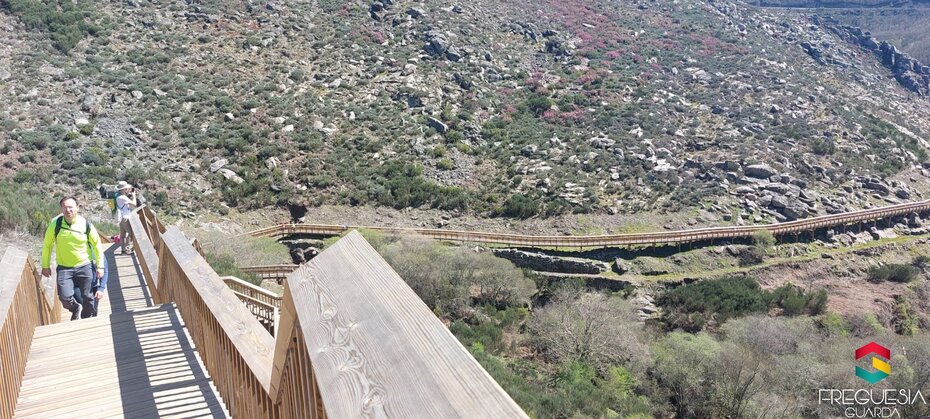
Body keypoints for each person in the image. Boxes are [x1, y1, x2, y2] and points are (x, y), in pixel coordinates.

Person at [41, 197, 105, 321]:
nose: (68, 210)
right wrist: (45, 265)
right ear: (61, 209)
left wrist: (100, 266)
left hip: (85, 265)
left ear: (77, 208)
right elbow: (47, 246)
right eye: (64, 207)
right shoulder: (55, 225)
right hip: (64, 268)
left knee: (88, 297)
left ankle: (86, 320)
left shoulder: (85, 224)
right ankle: (75, 308)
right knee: (64, 297)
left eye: (71, 207)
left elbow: (97, 245)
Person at [115, 181, 138, 255]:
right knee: (132, 234)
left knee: (123, 235)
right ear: (124, 189)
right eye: (127, 189)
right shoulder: (123, 197)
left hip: (121, 218)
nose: (128, 190)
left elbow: (128, 206)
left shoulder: (118, 196)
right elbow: (134, 204)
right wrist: (134, 196)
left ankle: (123, 250)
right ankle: (128, 249)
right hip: (125, 218)